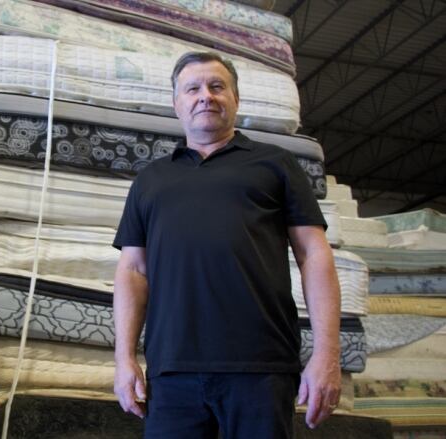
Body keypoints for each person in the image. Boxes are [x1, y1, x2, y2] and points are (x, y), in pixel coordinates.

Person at [112, 51, 342, 438]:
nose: (206, 96)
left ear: (235, 98)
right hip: (172, 371)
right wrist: (123, 358)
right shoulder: (151, 180)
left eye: (218, 86)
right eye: (193, 88)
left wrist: (327, 354)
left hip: (260, 367)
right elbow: (133, 270)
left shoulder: (275, 164)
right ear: (176, 104)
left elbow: (313, 253)